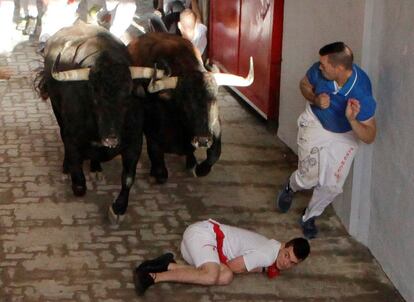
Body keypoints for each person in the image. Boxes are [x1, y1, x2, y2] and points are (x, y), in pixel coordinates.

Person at [276, 41, 377, 239]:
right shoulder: (319, 72)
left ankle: (309, 217)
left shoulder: (361, 90)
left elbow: (370, 136)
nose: (319, 66)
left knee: (332, 185)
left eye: (324, 65)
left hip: (346, 133)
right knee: (308, 177)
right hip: (316, 122)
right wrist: (314, 98)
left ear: (339, 68)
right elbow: (304, 84)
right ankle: (291, 185)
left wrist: (352, 119)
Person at [133, 219, 310, 295]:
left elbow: (229, 270)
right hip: (202, 235)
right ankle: (152, 277)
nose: (286, 262)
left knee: (225, 277)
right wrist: (258, 267)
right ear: (285, 245)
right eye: (287, 255)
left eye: (291, 262)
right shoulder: (267, 254)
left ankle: (168, 264)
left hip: (197, 249)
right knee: (213, 275)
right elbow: (233, 265)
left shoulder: (273, 248)